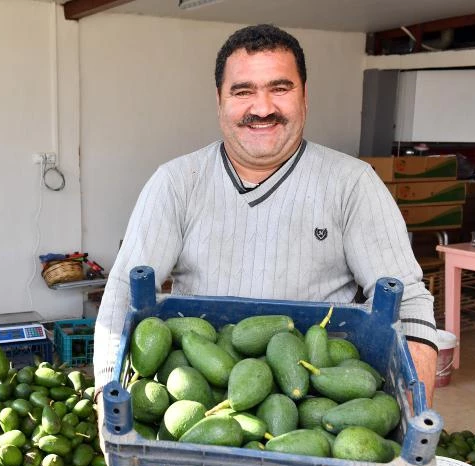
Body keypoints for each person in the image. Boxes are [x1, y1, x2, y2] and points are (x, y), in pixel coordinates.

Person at [94, 23, 437, 411]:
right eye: (243, 92)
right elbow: (124, 289)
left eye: (280, 88)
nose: (262, 108)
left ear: (305, 97)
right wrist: (106, 392)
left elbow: (405, 300)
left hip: (312, 404)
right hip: (199, 405)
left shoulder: (352, 184)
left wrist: (412, 407)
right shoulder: (176, 183)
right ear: (220, 101)